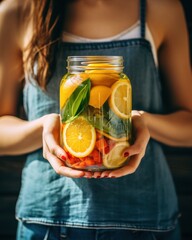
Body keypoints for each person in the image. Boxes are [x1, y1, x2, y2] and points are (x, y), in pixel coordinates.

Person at [0, 0, 192, 239]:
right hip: (48, 217)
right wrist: (44, 128)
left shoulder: (162, 9)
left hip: (145, 217)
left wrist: (143, 122)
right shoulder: (17, 10)